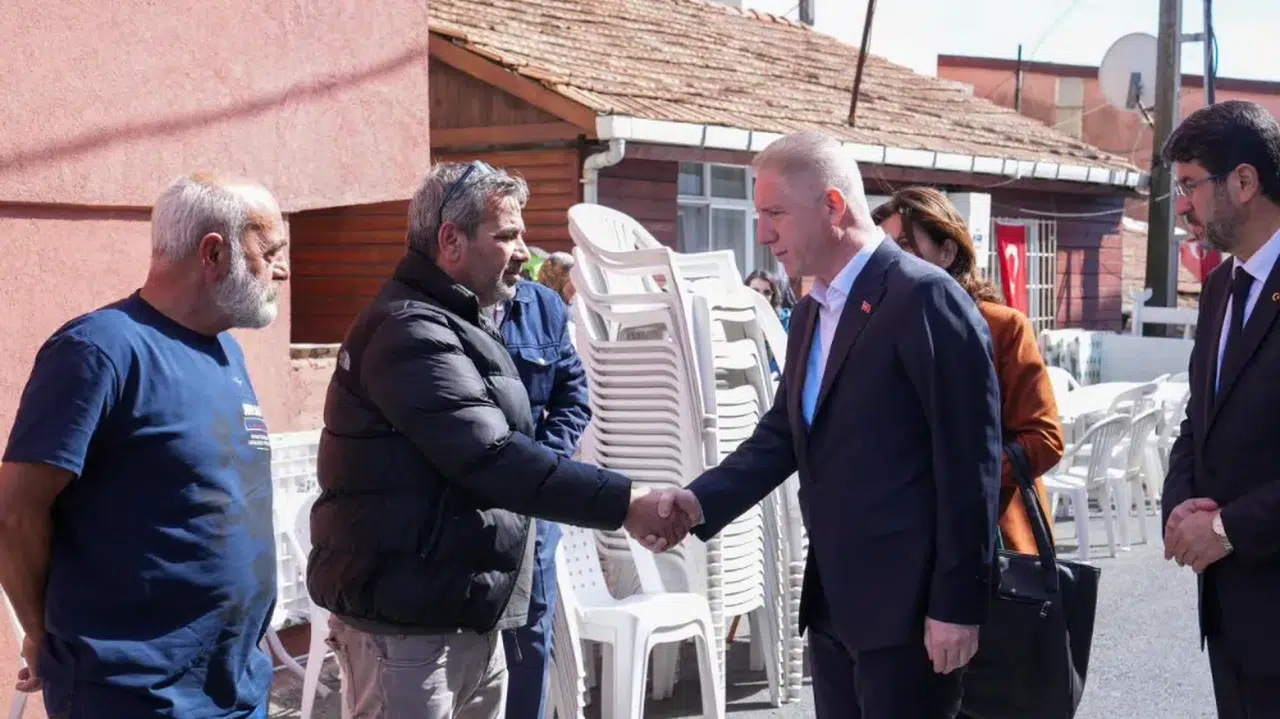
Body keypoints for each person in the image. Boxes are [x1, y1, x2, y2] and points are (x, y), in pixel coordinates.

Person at [641, 131, 1003, 718]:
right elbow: (784, 434)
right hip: (836, 607)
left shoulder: (924, 298)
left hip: (912, 617)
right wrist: (697, 500)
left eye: (775, 213)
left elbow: (971, 465)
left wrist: (958, 604)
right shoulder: (813, 308)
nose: (763, 234)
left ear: (834, 206)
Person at [305, 161, 677, 719]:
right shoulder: (412, 330)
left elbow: (543, 418)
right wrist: (625, 502)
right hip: (410, 629)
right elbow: (491, 456)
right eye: (507, 235)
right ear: (450, 241)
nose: (524, 251)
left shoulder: (463, 320)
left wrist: (547, 479)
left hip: (463, 613)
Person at [0, 173, 291, 717]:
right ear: (213, 253)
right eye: (270, 250)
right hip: (133, 694)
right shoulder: (98, 351)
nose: (283, 269)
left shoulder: (227, 352)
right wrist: (43, 635)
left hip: (237, 685)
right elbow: (15, 514)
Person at [1161, 100, 1280, 718]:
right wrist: (1179, 508)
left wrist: (1228, 529)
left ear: (1243, 180)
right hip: (1231, 616)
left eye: (1189, 186)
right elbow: (1198, 422)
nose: (1181, 206)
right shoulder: (1217, 288)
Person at [875, 186, 1064, 556]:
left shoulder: (1003, 327)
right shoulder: (874, 330)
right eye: (884, 252)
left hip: (989, 541)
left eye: (905, 246)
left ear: (947, 251)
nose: (893, 263)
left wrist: (963, 476)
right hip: (899, 543)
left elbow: (1045, 439)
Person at [492, 273, 591, 718]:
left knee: (530, 644)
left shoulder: (543, 306)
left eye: (520, 234)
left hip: (532, 509)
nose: (518, 251)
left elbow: (573, 397)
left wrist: (543, 465)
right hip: (461, 509)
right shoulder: (437, 309)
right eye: (505, 236)